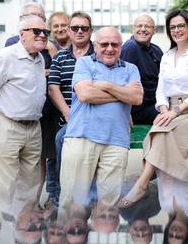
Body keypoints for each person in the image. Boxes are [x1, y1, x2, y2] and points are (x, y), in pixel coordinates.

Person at [120, 9, 188, 216]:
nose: (177, 30)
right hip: (169, 109)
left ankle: (142, 184)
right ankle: (178, 211)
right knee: (163, 127)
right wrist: (164, 109)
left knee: (162, 132)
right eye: (172, 27)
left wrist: (175, 112)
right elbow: (161, 89)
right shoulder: (167, 55)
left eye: (181, 26)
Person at [58, 27, 143, 215]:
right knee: (71, 201)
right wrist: (123, 93)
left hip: (117, 142)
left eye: (115, 44)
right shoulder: (84, 63)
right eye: (104, 44)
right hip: (81, 138)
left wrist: (105, 85)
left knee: (108, 207)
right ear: (95, 46)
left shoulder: (131, 69)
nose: (109, 49)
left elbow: (137, 98)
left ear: (121, 46)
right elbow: (85, 94)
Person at [0, 15, 48, 223]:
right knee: (3, 187)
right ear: (22, 34)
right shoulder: (5, 57)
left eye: (46, 32)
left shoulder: (39, 58)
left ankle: (21, 232)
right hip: (6, 126)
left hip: (33, 128)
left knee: (30, 187)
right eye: (37, 31)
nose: (43, 35)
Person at [48, 11, 95, 208]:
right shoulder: (60, 57)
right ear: (69, 31)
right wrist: (68, 113)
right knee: (61, 139)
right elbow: (53, 87)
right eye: (75, 28)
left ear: (90, 31)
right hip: (69, 119)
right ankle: (61, 191)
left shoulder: (100, 54)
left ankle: (90, 195)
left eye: (84, 28)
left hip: (95, 117)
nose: (79, 31)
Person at [120, 14, 164, 124]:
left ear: (154, 30)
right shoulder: (131, 47)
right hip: (139, 109)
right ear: (133, 29)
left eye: (147, 26)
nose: (143, 29)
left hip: (157, 103)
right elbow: (121, 82)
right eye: (139, 26)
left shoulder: (156, 50)